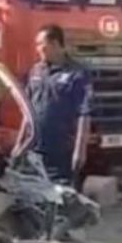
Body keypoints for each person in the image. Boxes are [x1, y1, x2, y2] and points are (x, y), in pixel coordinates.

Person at [25, 25, 92, 184]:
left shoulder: (77, 74)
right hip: (34, 150)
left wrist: (80, 150)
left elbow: (84, 113)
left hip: (61, 152)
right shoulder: (36, 71)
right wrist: (21, 144)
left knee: (60, 194)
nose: (38, 49)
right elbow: (26, 110)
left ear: (55, 44)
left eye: (41, 45)